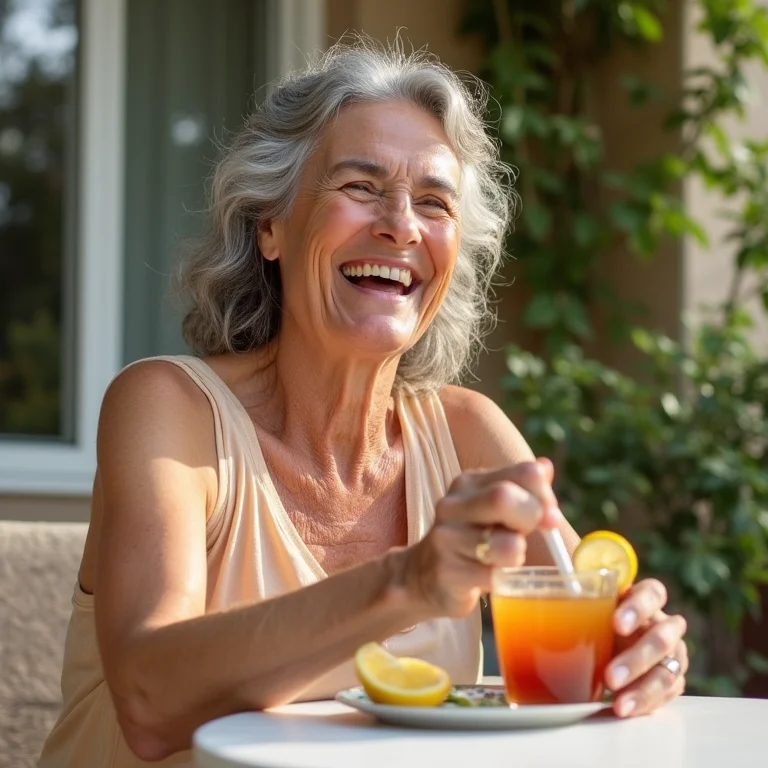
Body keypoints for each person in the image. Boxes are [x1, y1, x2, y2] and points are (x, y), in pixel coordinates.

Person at [39, 39, 688, 767]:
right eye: (360, 186)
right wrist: (407, 583)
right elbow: (150, 703)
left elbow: (585, 634)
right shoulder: (168, 411)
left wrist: (640, 654)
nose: (402, 225)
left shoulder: (467, 432)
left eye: (434, 202)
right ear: (272, 226)